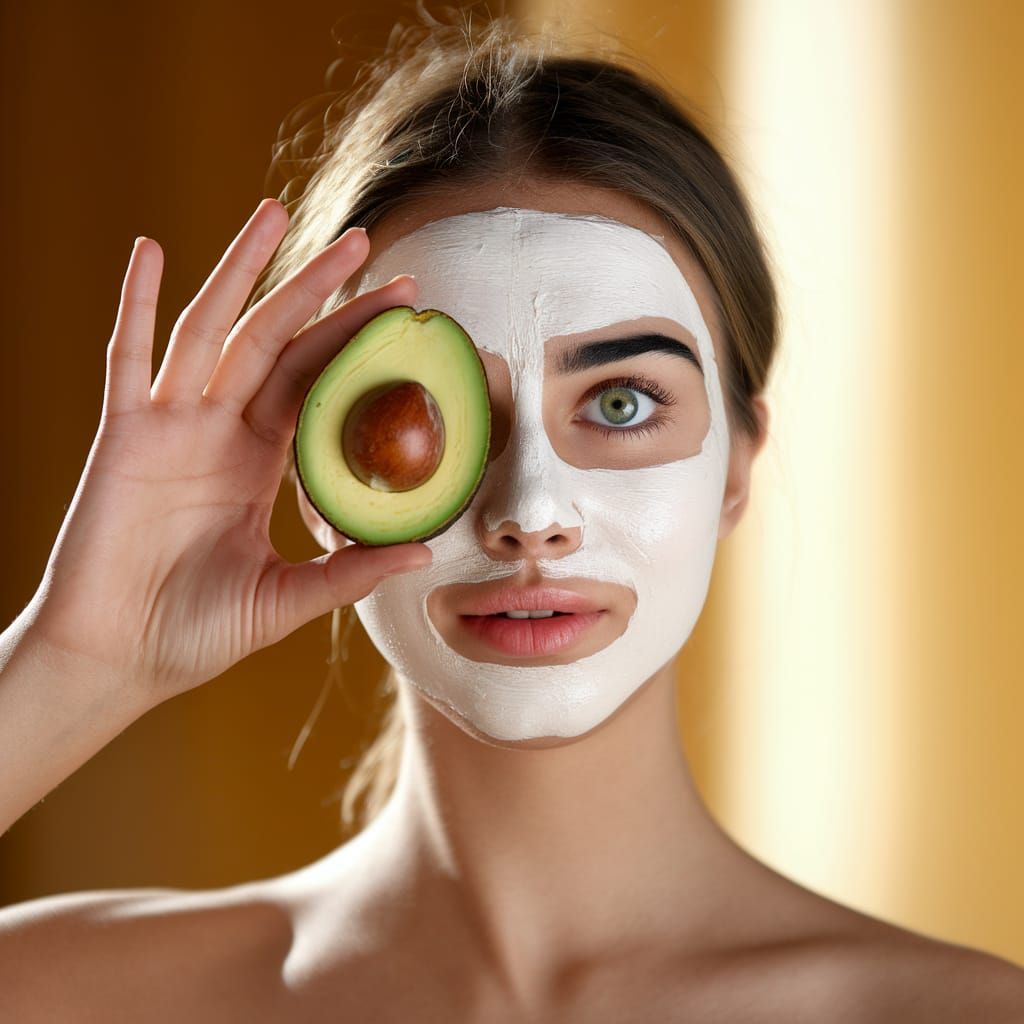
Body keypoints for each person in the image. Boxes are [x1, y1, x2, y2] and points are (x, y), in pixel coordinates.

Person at [1, 7, 1022, 1021]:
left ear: (736, 464)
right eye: (421, 418)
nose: (529, 513)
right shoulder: (73, 994)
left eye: (621, 403)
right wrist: (75, 660)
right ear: (312, 477)